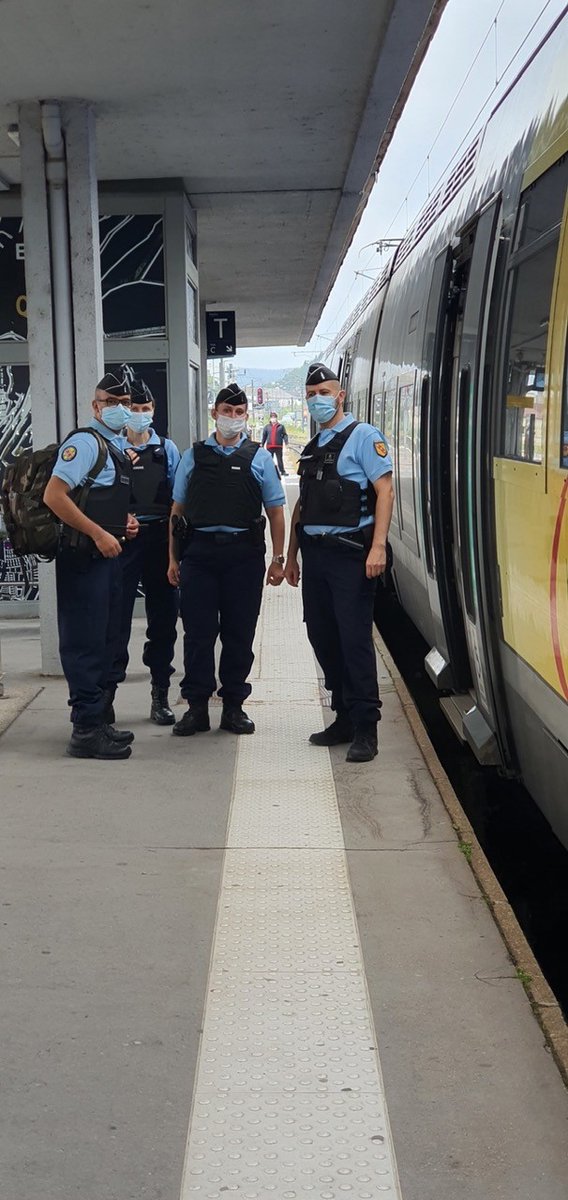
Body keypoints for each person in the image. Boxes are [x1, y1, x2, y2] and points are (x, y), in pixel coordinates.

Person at [284, 362, 394, 763]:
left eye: (323, 392)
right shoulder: (314, 446)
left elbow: (385, 491)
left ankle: (366, 726)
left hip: (351, 555)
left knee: (354, 640)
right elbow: (304, 505)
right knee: (321, 635)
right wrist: (292, 555)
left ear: (341, 394)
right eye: (311, 394)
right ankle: (343, 714)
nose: (317, 400)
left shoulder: (363, 436)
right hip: (316, 558)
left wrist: (377, 546)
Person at [168, 382, 286, 736]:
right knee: (198, 633)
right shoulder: (194, 455)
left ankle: (233, 707)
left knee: (239, 633)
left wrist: (278, 558)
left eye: (238, 413)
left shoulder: (259, 457)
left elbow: (276, 512)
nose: (232, 418)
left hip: (244, 557)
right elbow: (176, 511)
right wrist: (172, 560)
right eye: (226, 411)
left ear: (246, 416)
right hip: (199, 555)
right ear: (214, 413)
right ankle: (197, 707)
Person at [43, 373, 139, 760]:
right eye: (110, 401)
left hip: (105, 558)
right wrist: (99, 534)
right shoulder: (84, 443)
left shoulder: (113, 446)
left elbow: (101, 501)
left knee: (104, 640)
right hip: (83, 559)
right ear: (95, 406)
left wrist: (123, 524)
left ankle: (98, 721)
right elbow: (55, 496)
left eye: (125, 402)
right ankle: (85, 731)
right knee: (84, 642)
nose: (119, 408)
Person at [107, 378, 181, 725]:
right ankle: (105, 699)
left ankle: (160, 695)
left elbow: (178, 503)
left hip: (158, 540)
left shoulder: (168, 449)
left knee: (163, 622)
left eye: (145, 409)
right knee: (115, 622)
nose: (139, 415)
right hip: (122, 542)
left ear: (154, 412)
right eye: (134, 409)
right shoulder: (112, 446)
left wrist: (174, 554)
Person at [261, 411, 289, 476]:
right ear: (270, 418)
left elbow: (285, 435)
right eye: (272, 417)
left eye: (274, 417)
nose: (273, 418)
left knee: (280, 459)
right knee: (269, 460)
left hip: (278, 446)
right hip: (269, 446)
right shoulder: (267, 427)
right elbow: (264, 436)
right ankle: (268, 472)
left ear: (276, 418)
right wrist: (262, 444)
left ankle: (282, 471)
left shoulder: (281, 426)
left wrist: (286, 442)